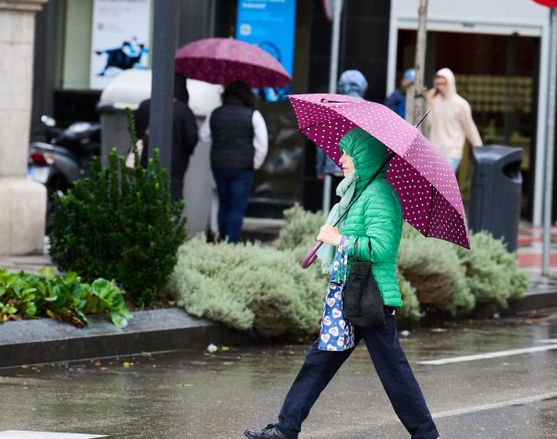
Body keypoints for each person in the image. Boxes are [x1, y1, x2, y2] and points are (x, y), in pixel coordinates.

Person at [244, 128, 439, 439]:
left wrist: (339, 239)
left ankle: (426, 434)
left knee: (393, 371)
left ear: (365, 158)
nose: (342, 159)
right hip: (349, 291)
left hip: (372, 295)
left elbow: (381, 248)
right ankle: (285, 429)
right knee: (319, 361)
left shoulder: (380, 195)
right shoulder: (358, 192)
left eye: (349, 153)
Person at [199, 81, 268, 243]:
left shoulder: (215, 113)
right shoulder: (253, 115)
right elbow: (262, 144)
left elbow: (203, 136)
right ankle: (232, 243)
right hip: (243, 168)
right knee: (237, 206)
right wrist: (255, 163)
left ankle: (223, 238)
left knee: (224, 203)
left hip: (219, 166)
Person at [134, 73, 198, 202]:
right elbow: (191, 138)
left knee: (146, 194)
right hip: (175, 162)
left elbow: (136, 131)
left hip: (146, 157)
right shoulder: (183, 110)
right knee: (172, 195)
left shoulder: (145, 105)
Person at [316, 70, 368, 208]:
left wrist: (320, 167)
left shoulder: (333, 107)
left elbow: (322, 141)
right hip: (358, 167)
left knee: (334, 206)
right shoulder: (368, 109)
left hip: (334, 166)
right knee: (354, 207)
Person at [425, 67, 483, 173]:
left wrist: (480, 149)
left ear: (450, 83)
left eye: (443, 84)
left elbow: (470, 127)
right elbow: (428, 123)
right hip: (434, 151)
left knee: (444, 181)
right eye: (438, 84)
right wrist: (429, 102)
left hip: (452, 153)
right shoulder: (434, 101)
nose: (440, 87)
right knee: (433, 182)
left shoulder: (461, 104)